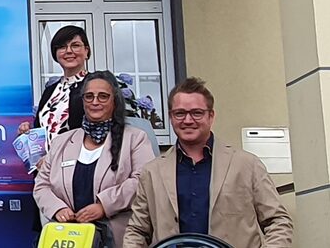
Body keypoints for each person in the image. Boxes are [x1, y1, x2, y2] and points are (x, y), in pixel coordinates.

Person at [125, 78, 292, 248]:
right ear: (170, 117)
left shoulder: (247, 165)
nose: (188, 120)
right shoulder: (152, 172)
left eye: (197, 113)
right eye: (180, 113)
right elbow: (137, 231)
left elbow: (278, 222)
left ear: (211, 116)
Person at [33, 71, 159, 245]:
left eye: (103, 96)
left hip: (117, 239)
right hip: (69, 238)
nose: (95, 102)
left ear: (114, 101)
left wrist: (104, 205)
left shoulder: (135, 139)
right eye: (89, 96)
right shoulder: (61, 142)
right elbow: (42, 185)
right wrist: (57, 208)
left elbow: (142, 181)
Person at [25, 25, 93, 137]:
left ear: (86, 51)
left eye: (75, 46)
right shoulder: (50, 91)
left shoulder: (96, 85)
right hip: (49, 155)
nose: (69, 51)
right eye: (62, 47)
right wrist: (29, 132)